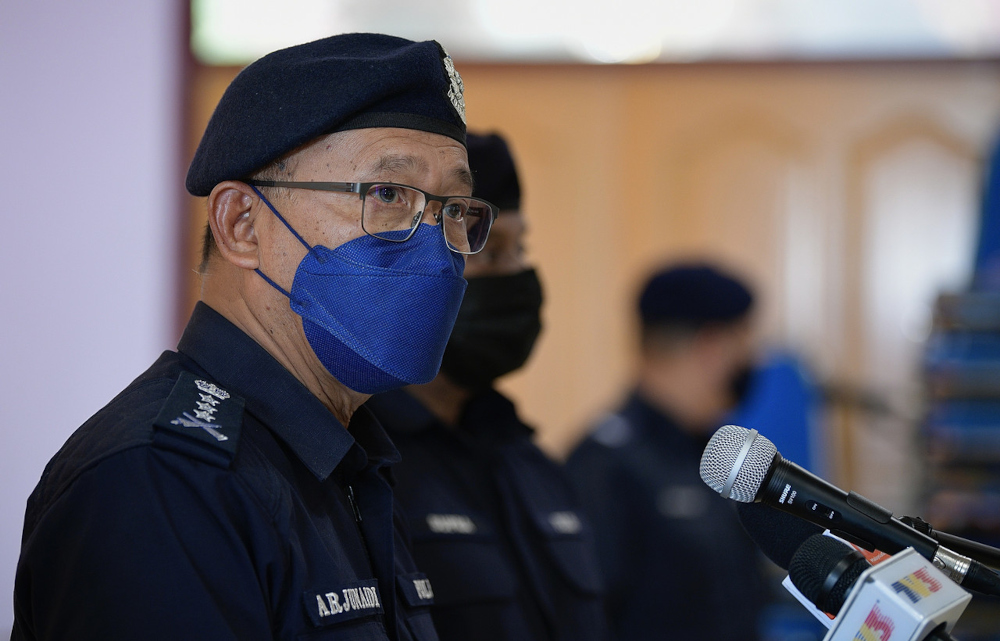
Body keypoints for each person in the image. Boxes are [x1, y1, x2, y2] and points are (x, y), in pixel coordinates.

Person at [11, 33, 496, 641]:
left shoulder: (346, 461)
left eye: (454, 207)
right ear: (241, 224)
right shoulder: (163, 482)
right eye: (388, 194)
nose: (435, 245)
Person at [365, 132, 609, 641]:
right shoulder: (366, 463)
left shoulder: (531, 463)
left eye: (521, 249)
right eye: (491, 254)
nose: (518, 275)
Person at [565, 263, 768, 641]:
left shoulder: (717, 453)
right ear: (711, 347)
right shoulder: (605, 466)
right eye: (743, 344)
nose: (751, 362)